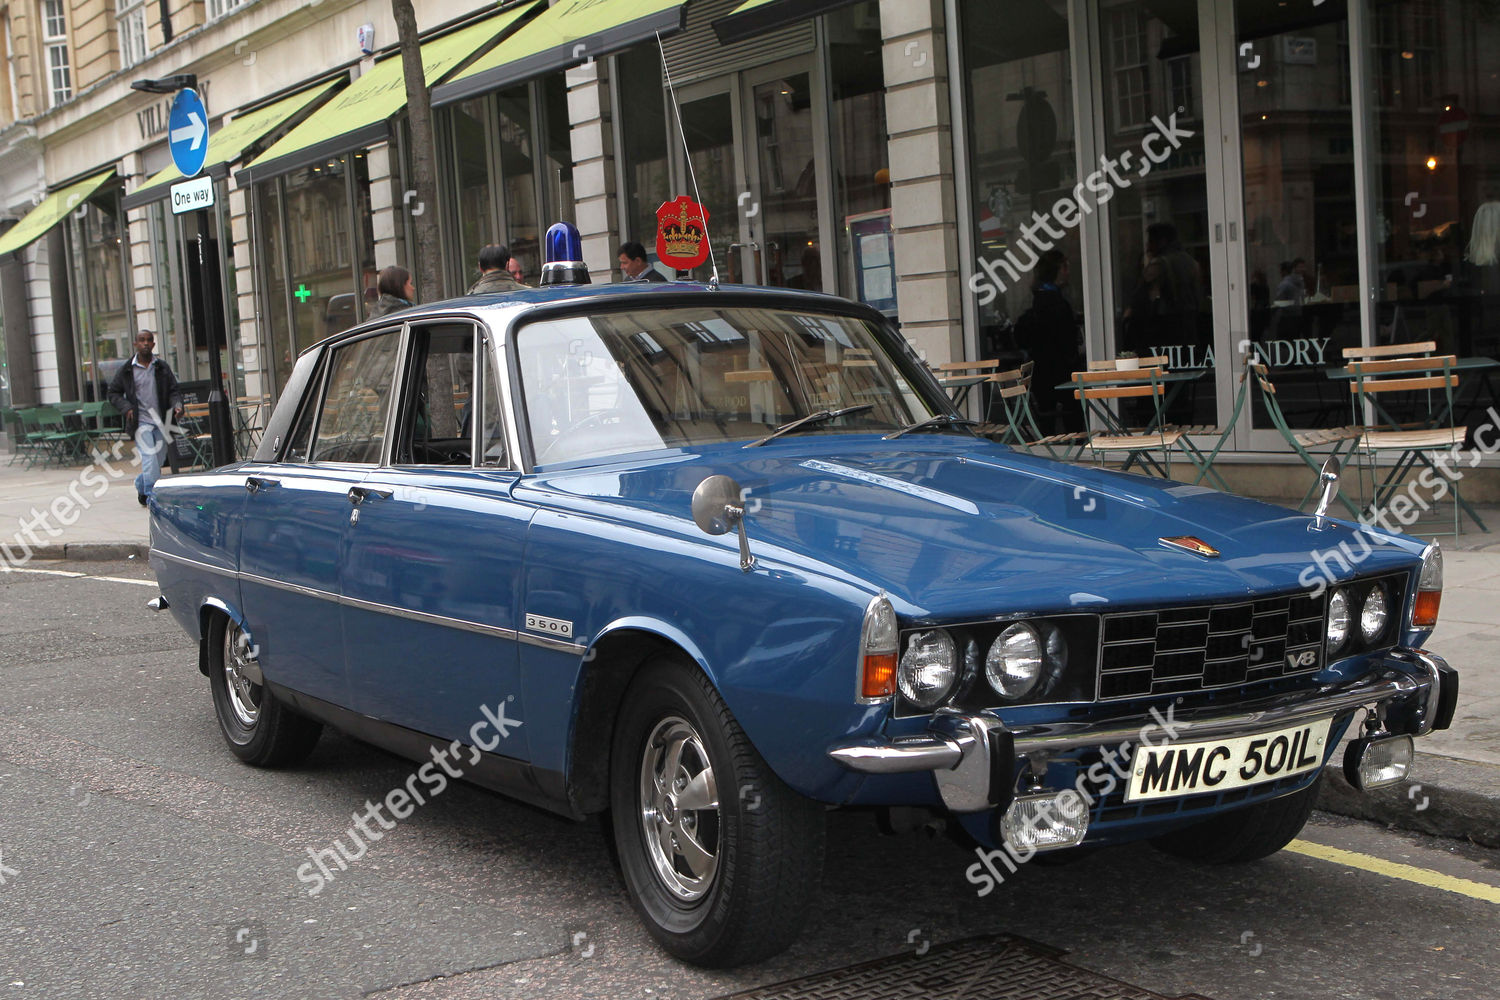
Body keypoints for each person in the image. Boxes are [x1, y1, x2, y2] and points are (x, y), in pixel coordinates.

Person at [107, 329, 183, 507]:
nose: (146, 343)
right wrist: (126, 407)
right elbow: (113, 393)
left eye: (149, 340)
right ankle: (152, 496)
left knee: (157, 461)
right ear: (135, 344)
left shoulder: (161, 367)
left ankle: (141, 484)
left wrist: (177, 405)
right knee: (149, 457)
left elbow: (174, 391)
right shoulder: (127, 370)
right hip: (141, 422)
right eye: (142, 340)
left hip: (162, 422)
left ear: (154, 344)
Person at [1013, 250, 1082, 433]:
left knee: (1048, 420)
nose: (1068, 272)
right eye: (1065, 268)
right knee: (1073, 414)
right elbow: (1066, 341)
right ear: (1057, 271)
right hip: (1058, 372)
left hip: (1041, 373)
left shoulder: (1037, 300)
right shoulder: (1056, 304)